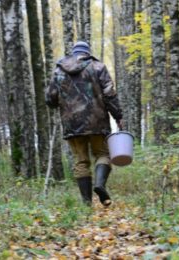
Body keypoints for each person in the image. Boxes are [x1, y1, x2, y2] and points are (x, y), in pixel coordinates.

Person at [45, 41, 123, 206]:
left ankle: (87, 204)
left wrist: (61, 101)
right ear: (87, 52)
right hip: (97, 121)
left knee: (81, 161)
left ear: (73, 53)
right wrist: (118, 115)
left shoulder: (59, 71)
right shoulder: (98, 67)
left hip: (72, 124)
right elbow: (110, 93)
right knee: (103, 154)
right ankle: (100, 185)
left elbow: (49, 98)